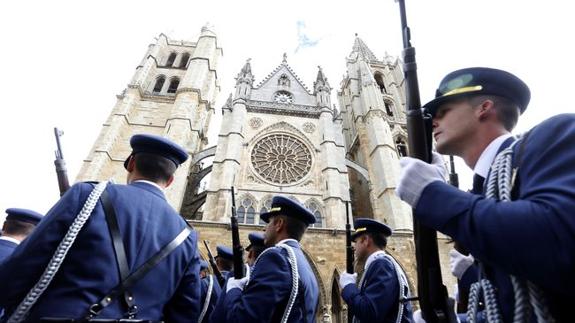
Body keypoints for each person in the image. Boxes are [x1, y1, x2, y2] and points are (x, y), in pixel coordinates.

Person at [396, 67, 573, 321]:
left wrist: (434, 195)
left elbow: (559, 239)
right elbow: (507, 306)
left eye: (443, 111)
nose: (434, 121)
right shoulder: (482, 191)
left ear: (484, 108)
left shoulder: (553, 134)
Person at [0, 134, 201, 322]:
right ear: (171, 180)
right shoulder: (187, 235)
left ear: (131, 163)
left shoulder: (87, 194)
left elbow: (25, 264)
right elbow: (185, 312)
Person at [215, 196, 319, 322]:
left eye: (269, 221)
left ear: (279, 224)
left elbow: (243, 319)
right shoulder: (304, 264)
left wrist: (233, 289)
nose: (264, 228)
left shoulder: (276, 258)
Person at [339, 218, 414, 322]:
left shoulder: (382, 265)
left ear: (365, 240)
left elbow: (369, 312)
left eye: (356, 242)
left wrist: (348, 286)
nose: (354, 247)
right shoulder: (378, 265)